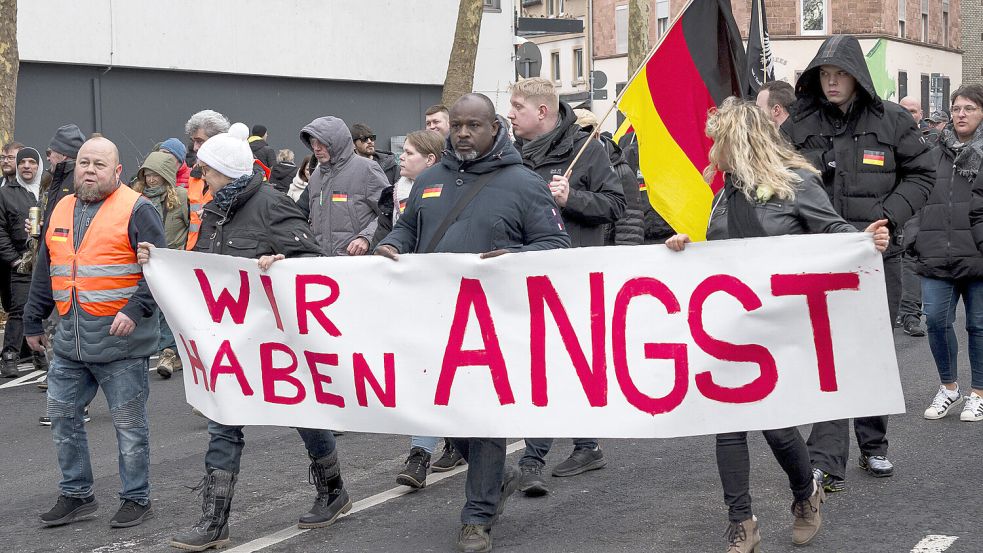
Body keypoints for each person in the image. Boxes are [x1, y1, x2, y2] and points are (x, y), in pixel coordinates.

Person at [666, 97, 890, 552]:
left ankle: (805, 490)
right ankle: (741, 521)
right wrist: (683, 247)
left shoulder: (797, 184)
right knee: (728, 420)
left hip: (782, 323)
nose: (711, 153)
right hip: (732, 324)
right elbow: (720, 253)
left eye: (717, 143)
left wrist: (865, 241)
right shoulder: (723, 192)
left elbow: (832, 233)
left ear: (739, 142)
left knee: (772, 421)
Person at [135, 123, 352, 551]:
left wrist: (281, 261)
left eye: (208, 171)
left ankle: (333, 489)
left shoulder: (272, 205)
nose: (202, 178)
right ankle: (215, 521)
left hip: (275, 337)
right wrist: (160, 261)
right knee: (223, 419)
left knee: (303, 415)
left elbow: (311, 263)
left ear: (228, 171)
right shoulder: (217, 207)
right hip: (230, 339)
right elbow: (202, 263)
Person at [376, 93, 570, 553]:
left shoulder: (523, 183)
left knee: (482, 417)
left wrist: (517, 256)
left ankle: (477, 518)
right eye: (457, 125)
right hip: (434, 320)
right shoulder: (429, 180)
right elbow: (408, 230)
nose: (462, 133)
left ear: (493, 128)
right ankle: (498, 478)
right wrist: (391, 245)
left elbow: (557, 245)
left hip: (492, 326)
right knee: (441, 410)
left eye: (473, 126)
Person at [781, 34, 935, 488]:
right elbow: (777, 183)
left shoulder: (892, 120)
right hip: (818, 256)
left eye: (839, 74)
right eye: (824, 75)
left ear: (857, 78)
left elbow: (923, 173)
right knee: (827, 351)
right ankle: (826, 458)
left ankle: (874, 445)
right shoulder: (798, 125)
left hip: (875, 254)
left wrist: (890, 216)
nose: (831, 82)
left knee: (868, 350)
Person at [24, 136, 165, 529]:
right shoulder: (63, 207)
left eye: (99, 164)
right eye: (84, 162)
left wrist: (135, 310)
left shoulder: (138, 210)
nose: (89, 170)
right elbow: (45, 268)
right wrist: (33, 319)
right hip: (70, 342)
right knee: (63, 419)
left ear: (117, 171)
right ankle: (76, 494)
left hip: (121, 344)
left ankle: (137, 498)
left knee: (129, 428)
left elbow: (160, 270)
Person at [508, 77, 625, 495]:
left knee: (552, 366)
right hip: (527, 275)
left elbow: (616, 206)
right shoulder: (511, 155)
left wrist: (571, 198)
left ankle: (531, 459)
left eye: (517, 106)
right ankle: (587, 444)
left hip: (571, 277)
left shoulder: (586, 149)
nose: (510, 114)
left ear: (542, 111)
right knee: (559, 365)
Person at [918, 84, 983, 423]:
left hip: (978, 255)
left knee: (978, 326)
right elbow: (916, 193)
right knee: (936, 323)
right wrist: (915, 236)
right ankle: (949, 387)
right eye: (957, 108)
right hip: (936, 253)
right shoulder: (933, 150)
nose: (961, 114)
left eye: (969, 108)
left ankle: (979, 393)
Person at [130, 151, 190, 379]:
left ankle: (168, 353)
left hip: (172, 263)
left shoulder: (181, 198)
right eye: (147, 174)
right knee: (146, 306)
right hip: (142, 261)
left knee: (167, 309)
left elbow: (192, 229)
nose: (151, 179)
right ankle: (146, 351)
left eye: (156, 174)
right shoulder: (135, 198)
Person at [300, 116, 388, 257]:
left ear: (337, 142)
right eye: (312, 142)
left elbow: (389, 212)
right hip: (323, 264)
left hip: (358, 263)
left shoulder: (367, 169)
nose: (316, 148)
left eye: (321, 142)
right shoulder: (315, 177)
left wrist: (366, 238)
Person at [0, 147, 47, 377]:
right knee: (19, 309)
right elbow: (0, 230)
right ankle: (9, 357)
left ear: (39, 166)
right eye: (22, 162)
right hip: (22, 261)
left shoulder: (47, 191)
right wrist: (13, 259)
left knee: (44, 310)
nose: (27, 166)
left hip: (48, 260)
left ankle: (40, 354)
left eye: (32, 162)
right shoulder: (7, 193)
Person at [574, 109, 644, 246]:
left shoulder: (619, 170)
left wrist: (622, 261)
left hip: (607, 256)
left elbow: (629, 226)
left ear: (596, 134)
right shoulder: (570, 165)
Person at [897, 97, 928, 337]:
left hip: (918, 210)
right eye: (904, 110)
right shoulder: (888, 138)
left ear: (921, 114)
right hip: (891, 209)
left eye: (913, 111)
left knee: (909, 258)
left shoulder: (931, 142)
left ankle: (910, 315)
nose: (909, 114)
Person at [185, 110, 230, 251]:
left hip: (221, 255)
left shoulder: (236, 176)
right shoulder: (194, 175)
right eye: (194, 141)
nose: (195, 147)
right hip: (194, 252)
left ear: (218, 140)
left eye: (199, 141)